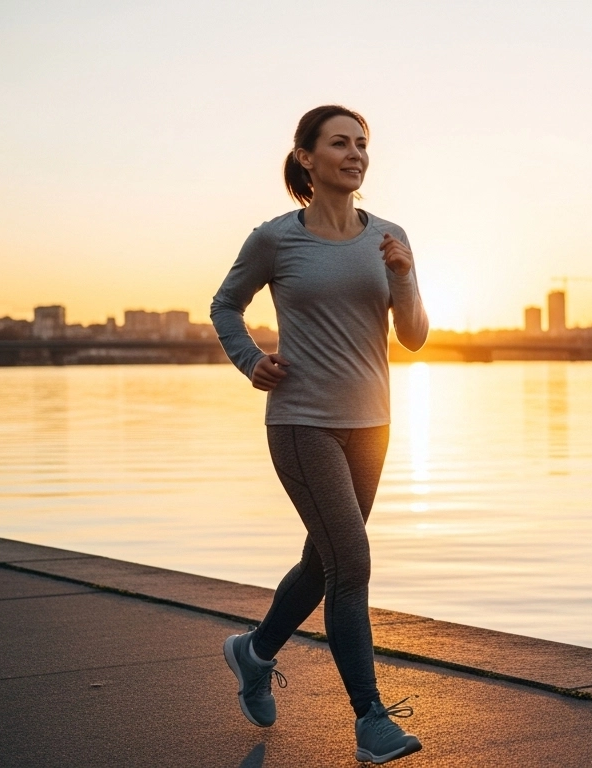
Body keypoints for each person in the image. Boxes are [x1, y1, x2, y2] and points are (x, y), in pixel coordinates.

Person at [210, 104, 428, 764]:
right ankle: (370, 720)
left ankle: (254, 652)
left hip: (373, 427)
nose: (356, 153)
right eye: (340, 143)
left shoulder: (388, 235)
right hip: (302, 423)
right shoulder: (275, 238)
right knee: (352, 562)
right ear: (307, 157)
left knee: (322, 562)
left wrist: (404, 275)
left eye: (363, 143)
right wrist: (252, 360)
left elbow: (414, 337)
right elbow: (225, 305)